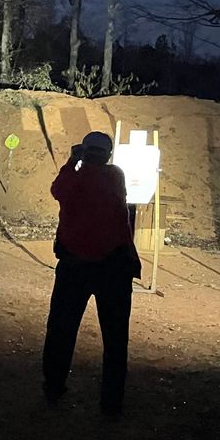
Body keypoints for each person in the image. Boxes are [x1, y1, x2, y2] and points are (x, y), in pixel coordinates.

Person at [42, 131, 140, 416]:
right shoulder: (116, 176)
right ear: (108, 154)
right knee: (115, 337)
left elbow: (58, 190)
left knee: (62, 329)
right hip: (114, 268)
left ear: (86, 152)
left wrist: (73, 160)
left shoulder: (77, 178)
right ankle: (111, 401)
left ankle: (53, 386)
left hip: (76, 267)